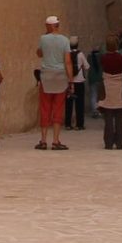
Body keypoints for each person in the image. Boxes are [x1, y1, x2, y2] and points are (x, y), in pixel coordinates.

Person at [33, 16, 72, 149]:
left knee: (45, 107)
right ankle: (55, 140)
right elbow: (68, 61)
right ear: (57, 25)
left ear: (49, 26)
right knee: (58, 108)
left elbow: (39, 54)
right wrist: (71, 79)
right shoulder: (65, 40)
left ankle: (43, 140)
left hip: (46, 76)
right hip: (60, 76)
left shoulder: (43, 39)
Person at [96, 41, 122, 150]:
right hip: (119, 87)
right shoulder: (121, 58)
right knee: (119, 118)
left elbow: (102, 66)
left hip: (107, 87)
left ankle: (108, 143)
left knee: (108, 117)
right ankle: (120, 143)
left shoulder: (104, 58)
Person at [65, 37, 89, 132]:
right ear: (77, 44)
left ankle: (68, 124)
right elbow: (87, 66)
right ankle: (79, 124)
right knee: (80, 103)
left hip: (69, 81)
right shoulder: (80, 54)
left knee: (69, 103)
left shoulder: (66, 54)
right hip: (79, 81)